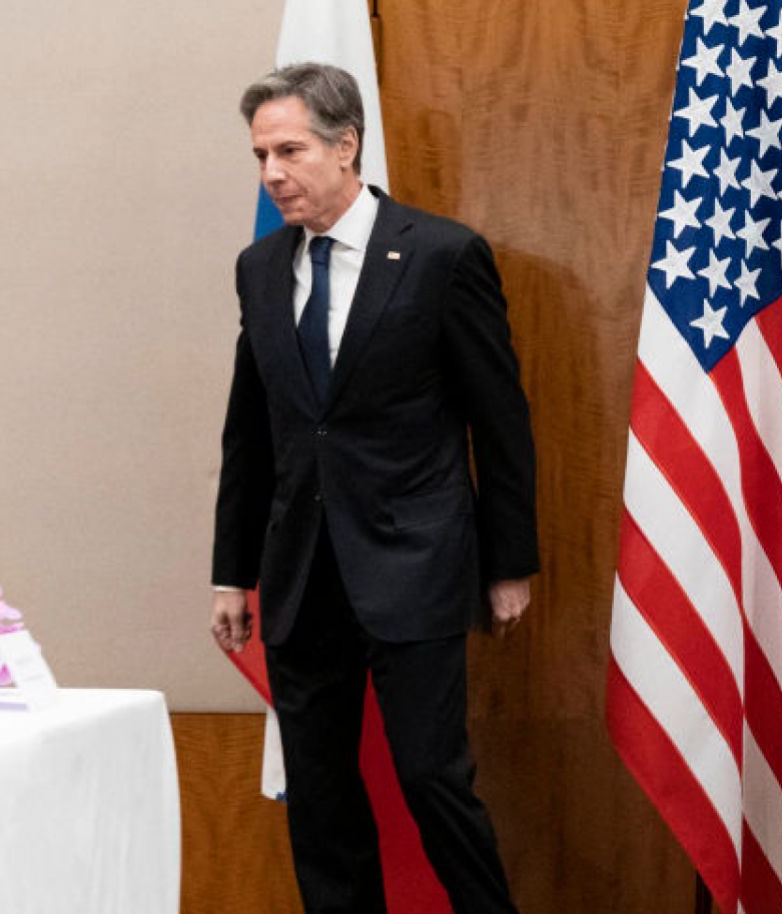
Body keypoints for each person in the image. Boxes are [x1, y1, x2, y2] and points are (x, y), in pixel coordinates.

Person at [208, 62, 537, 914]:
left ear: (346, 145)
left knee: (432, 778)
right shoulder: (259, 268)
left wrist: (509, 565)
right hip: (300, 575)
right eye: (259, 155)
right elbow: (252, 432)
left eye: (288, 151)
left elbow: (499, 424)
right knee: (318, 796)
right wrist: (229, 572)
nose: (271, 173)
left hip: (414, 566)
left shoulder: (440, 255)